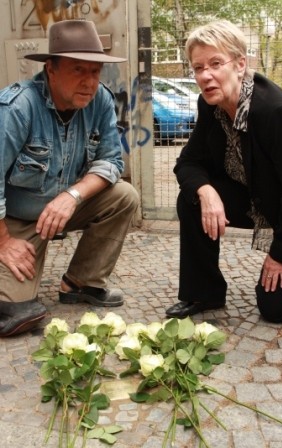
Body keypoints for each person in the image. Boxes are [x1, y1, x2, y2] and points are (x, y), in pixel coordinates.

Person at [0, 19, 139, 337]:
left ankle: (80, 283)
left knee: (124, 196)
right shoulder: (17, 108)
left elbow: (111, 161)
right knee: (17, 314)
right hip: (16, 220)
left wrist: (72, 196)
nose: (90, 82)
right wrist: (4, 241)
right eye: (79, 70)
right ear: (51, 69)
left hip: (65, 207)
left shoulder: (101, 100)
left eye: (95, 71)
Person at [166, 20, 282, 322]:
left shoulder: (276, 112)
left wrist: (279, 256)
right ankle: (204, 293)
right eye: (198, 68)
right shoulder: (209, 105)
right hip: (256, 199)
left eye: (215, 63)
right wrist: (206, 191)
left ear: (240, 64)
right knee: (191, 198)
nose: (206, 75)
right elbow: (188, 162)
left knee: (277, 309)